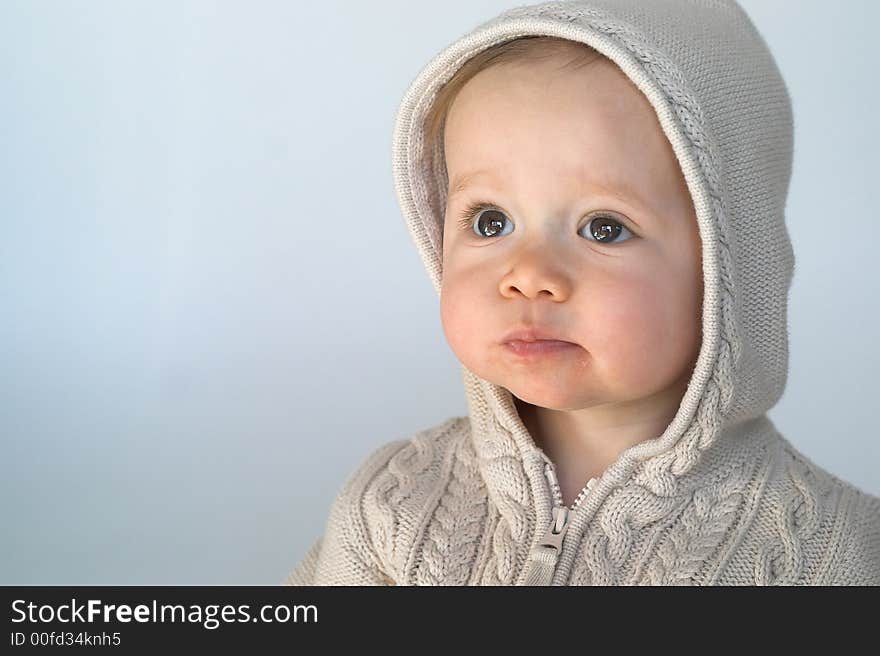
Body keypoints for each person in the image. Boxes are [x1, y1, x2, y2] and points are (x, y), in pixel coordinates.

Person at [284, 0, 880, 585]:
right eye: (490, 221)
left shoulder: (834, 557)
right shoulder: (391, 507)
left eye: (604, 228)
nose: (528, 273)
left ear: (731, 269)